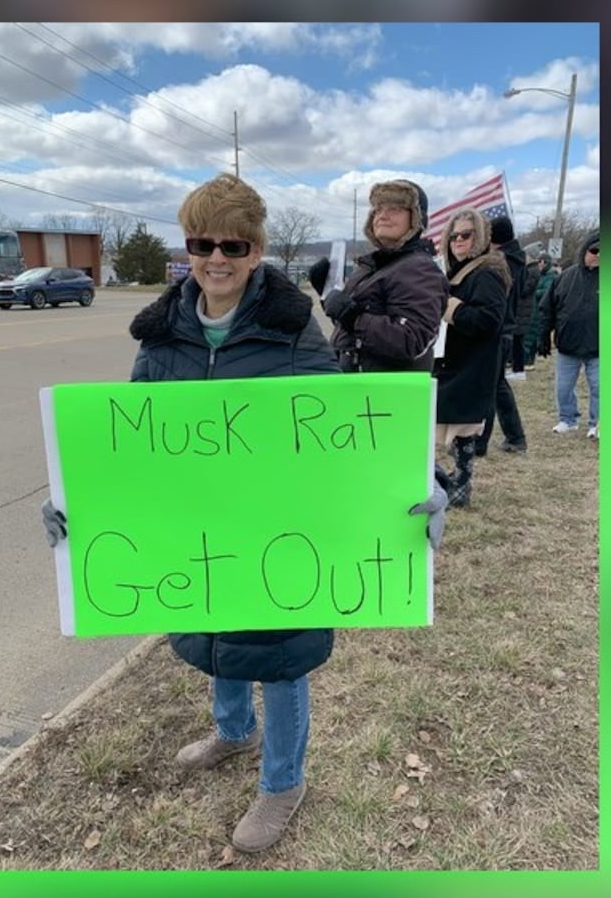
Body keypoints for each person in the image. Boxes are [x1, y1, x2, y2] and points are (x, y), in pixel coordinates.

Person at [39, 173, 447, 854]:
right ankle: (233, 731)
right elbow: (130, 444)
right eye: (203, 243)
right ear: (188, 248)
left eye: (233, 244)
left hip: (279, 532)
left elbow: (345, 433)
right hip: (203, 527)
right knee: (216, 626)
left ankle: (283, 780)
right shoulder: (163, 337)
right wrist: (70, 498)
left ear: (257, 250)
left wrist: (418, 485)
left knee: (280, 659)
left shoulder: (295, 334)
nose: (217, 258)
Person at [318, 179, 447, 373]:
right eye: (378, 209)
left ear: (416, 219)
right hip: (356, 383)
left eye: (395, 209)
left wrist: (353, 317)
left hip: (385, 394)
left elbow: (412, 340)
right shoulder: (373, 266)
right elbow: (348, 329)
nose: (382, 216)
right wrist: (327, 294)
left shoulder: (419, 269)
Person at [432, 206, 509, 507]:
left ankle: (461, 488)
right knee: (450, 427)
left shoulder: (487, 272)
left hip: (472, 362)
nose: (459, 240)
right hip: (452, 359)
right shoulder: (459, 270)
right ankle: (451, 484)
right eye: (453, 236)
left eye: (466, 234)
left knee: (463, 431)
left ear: (480, 236)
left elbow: (490, 321)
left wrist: (452, 309)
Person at [537, 231, 600, 439]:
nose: (598, 255)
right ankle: (567, 419)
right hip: (568, 344)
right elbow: (548, 308)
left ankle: (597, 423)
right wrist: (544, 335)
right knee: (563, 387)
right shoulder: (565, 277)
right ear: (585, 250)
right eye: (594, 250)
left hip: (599, 346)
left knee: (599, 388)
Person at [476, 214, 529, 456]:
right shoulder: (518, 260)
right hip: (506, 327)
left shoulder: (501, 262)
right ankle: (515, 437)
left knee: (489, 386)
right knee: (498, 386)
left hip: (497, 329)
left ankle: (480, 442)